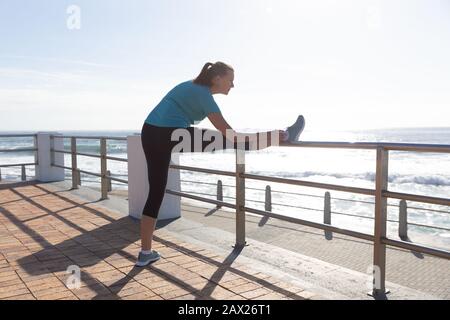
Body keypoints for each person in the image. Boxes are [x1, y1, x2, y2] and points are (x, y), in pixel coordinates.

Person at [136, 61, 305, 267]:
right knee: (235, 141)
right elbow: (232, 135)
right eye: (230, 80)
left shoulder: (192, 87)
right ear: (217, 78)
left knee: (156, 192)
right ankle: (285, 134)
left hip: (150, 133)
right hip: (170, 134)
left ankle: (145, 253)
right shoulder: (203, 95)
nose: (232, 85)